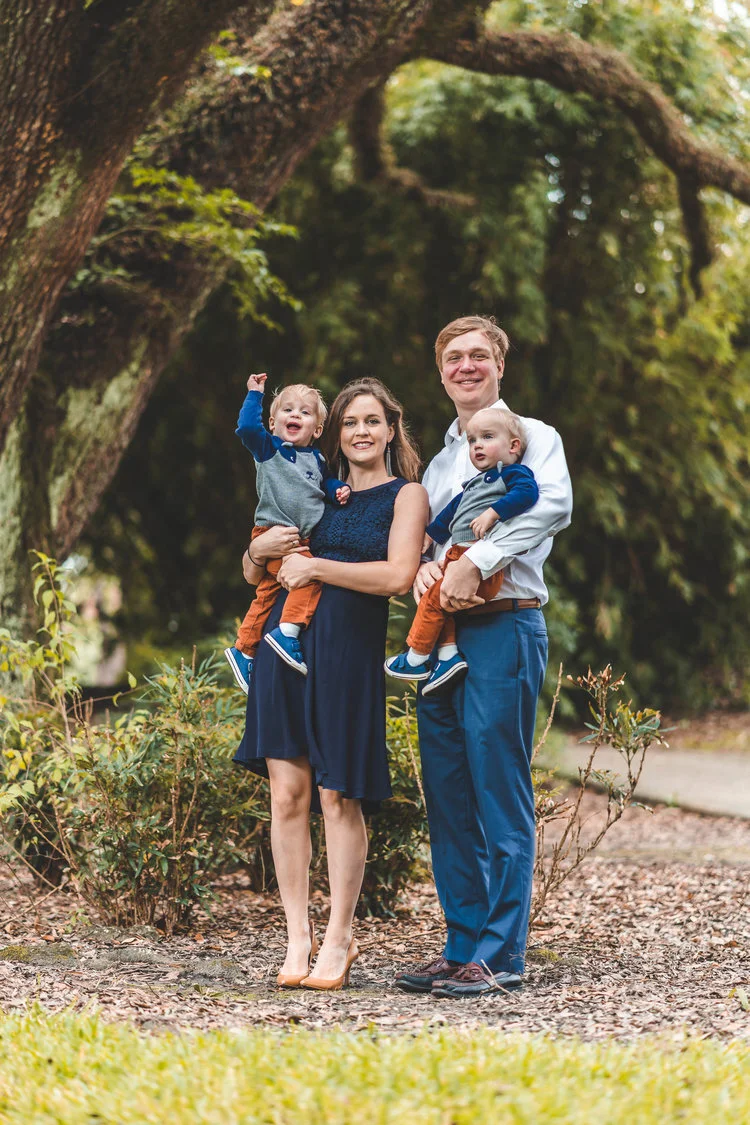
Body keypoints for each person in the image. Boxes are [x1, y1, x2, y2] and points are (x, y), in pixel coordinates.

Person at [395, 315, 572, 1000]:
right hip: (441, 635)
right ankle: (462, 941)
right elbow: (430, 540)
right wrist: (424, 572)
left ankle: (501, 954)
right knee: (447, 790)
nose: (465, 366)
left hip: (504, 627)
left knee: (498, 785)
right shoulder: (441, 462)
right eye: (453, 357)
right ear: (441, 372)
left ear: (499, 364)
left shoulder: (536, 437)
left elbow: (552, 506)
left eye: (478, 355)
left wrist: (483, 562)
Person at [234, 378, 427, 991]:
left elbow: (398, 576)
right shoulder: (313, 482)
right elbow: (257, 569)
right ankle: (296, 937)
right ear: (333, 432)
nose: (361, 431)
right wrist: (258, 549)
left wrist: (315, 565)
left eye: (372, 421)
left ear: (391, 429)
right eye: (350, 422)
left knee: (337, 796)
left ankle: (339, 937)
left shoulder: (406, 495)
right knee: (287, 795)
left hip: (346, 653)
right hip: (282, 650)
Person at [385, 407, 538, 695]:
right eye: (471, 440)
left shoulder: (514, 475)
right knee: (438, 604)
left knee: (432, 601)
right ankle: (446, 657)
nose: (477, 445)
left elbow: (528, 494)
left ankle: (416, 657)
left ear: (513, 446)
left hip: (478, 564)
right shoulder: (475, 484)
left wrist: (494, 512)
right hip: (456, 555)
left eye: (487, 437)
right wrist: (429, 537)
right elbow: (450, 514)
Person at [224, 374, 350, 694]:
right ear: (273, 421)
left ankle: (244, 649)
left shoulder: (318, 459)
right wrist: (255, 394)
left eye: (305, 412)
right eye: (287, 410)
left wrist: (339, 490)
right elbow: (247, 429)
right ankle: (288, 632)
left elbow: (324, 485)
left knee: (266, 595)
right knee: (309, 576)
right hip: (275, 533)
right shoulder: (268, 448)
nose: (295, 415)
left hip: (299, 539)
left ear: (317, 429)